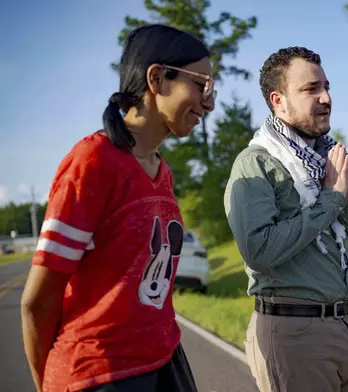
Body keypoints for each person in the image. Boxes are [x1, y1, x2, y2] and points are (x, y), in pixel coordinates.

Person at [20, 24, 216, 392]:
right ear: (157, 79)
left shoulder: (163, 172)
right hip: (101, 375)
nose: (209, 101)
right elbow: (37, 302)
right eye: (200, 84)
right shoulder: (91, 162)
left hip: (165, 361)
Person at [223, 46, 348, 392]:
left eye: (327, 86)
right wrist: (331, 199)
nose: (326, 98)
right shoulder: (255, 164)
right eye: (311, 89)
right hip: (295, 332)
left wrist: (341, 192)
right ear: (278, 101)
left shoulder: (327, 158)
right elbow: (258, 251)